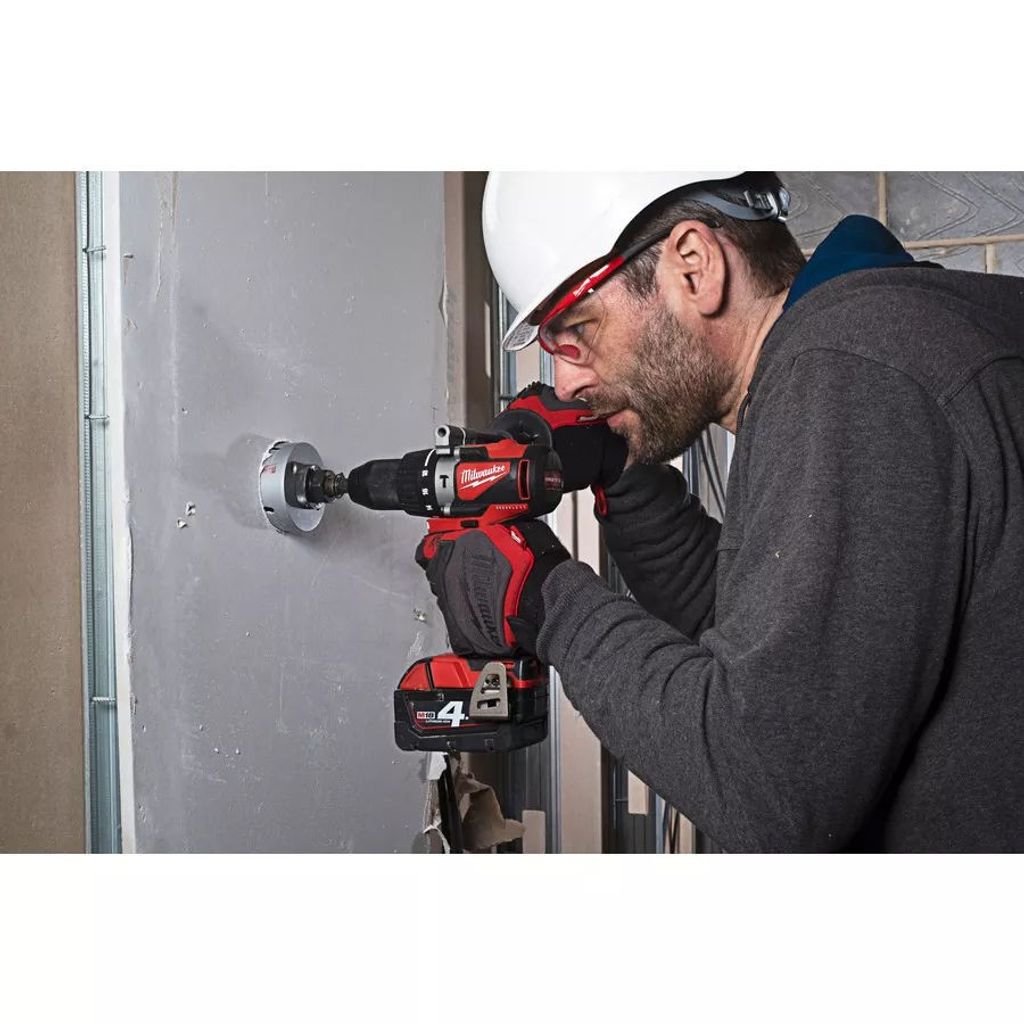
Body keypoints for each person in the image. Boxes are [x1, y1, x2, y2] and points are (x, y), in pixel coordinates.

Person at [417, 172, 1024, 852]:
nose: (567, 382)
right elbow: (791, 651)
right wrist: (627, 477)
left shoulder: (853, 372)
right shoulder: (899, 334)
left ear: (694, 265)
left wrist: (540, 599)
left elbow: (769, 784)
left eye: (579, 330)